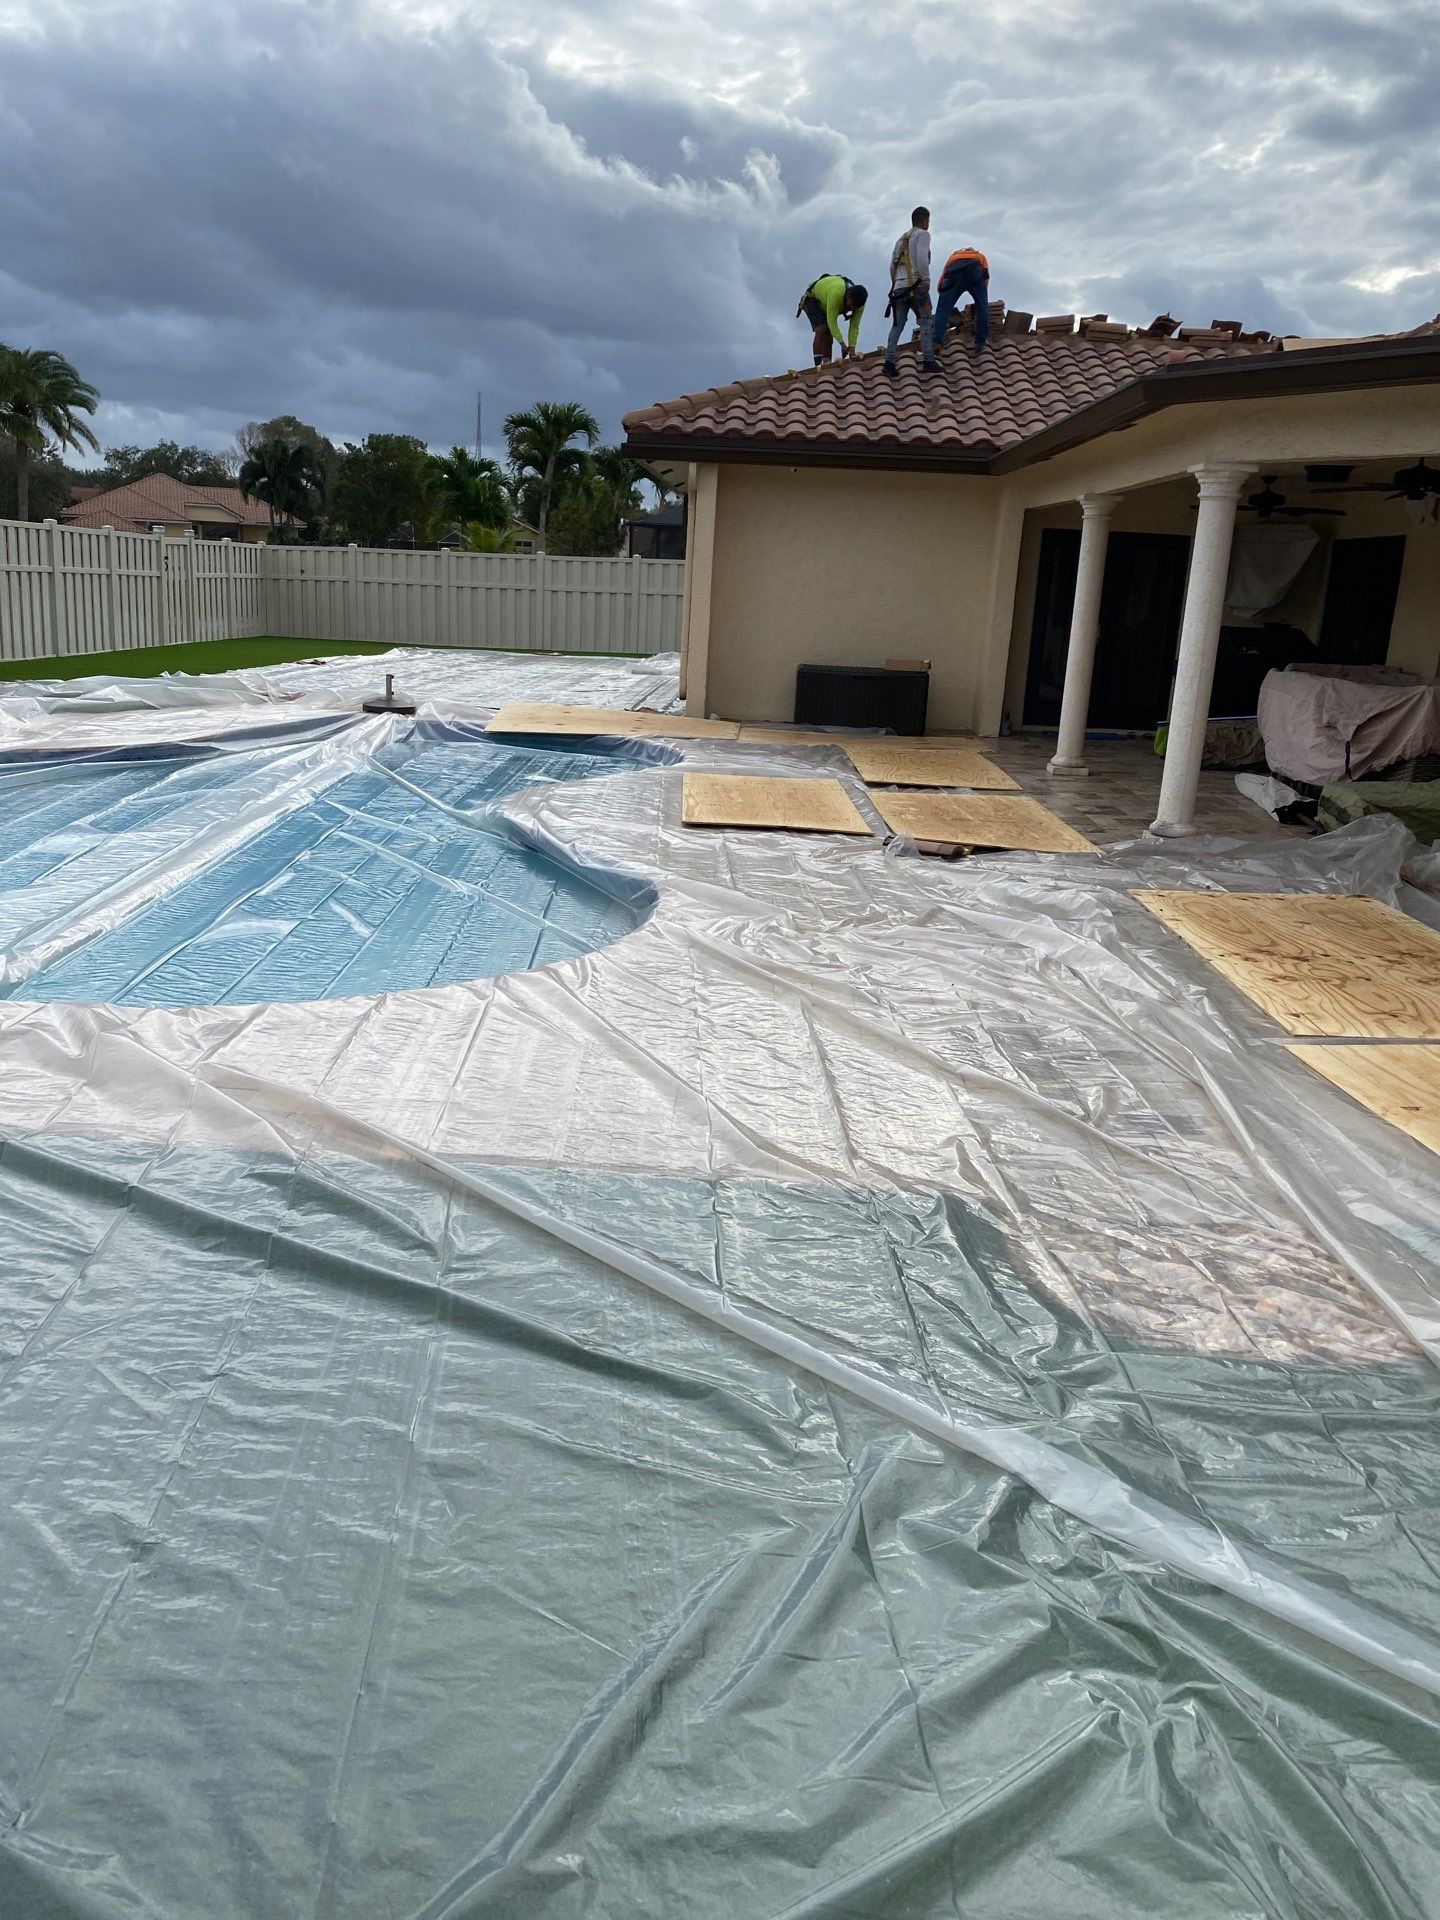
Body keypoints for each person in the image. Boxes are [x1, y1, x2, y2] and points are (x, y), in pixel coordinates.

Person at [883, 207, 934, 375]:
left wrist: (896, 284)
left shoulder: (900, 240)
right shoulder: (923, 235)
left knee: (897, 325)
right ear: (925, 220)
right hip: (916, 287)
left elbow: (892, 266)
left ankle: (889, 364)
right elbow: (921, 257)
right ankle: (928, 361)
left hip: (898, 288)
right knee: (926, 321)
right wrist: (925, 279)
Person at [797, 275, 868, 365]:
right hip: (812, 299)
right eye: (851, 305)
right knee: (821, 328)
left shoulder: (860, 306)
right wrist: (842, 344)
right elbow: (832, 322)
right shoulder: (837, 293)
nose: (851, 309)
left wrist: (852, 348)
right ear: (848, 296)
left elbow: (854, 326)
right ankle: (817, 365)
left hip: (825, 303)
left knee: (829, 334)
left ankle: (827, 363)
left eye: (854, 307)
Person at [932, 246, 990, 353]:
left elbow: (943, 276)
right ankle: (980, 341)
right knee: (982, 306)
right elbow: (985, 278)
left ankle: (937, 341)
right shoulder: (980, 256)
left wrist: (943, 297)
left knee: (943, 309)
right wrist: (982, 297)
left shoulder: (954, 256)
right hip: (975, 271)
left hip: (954, 273)